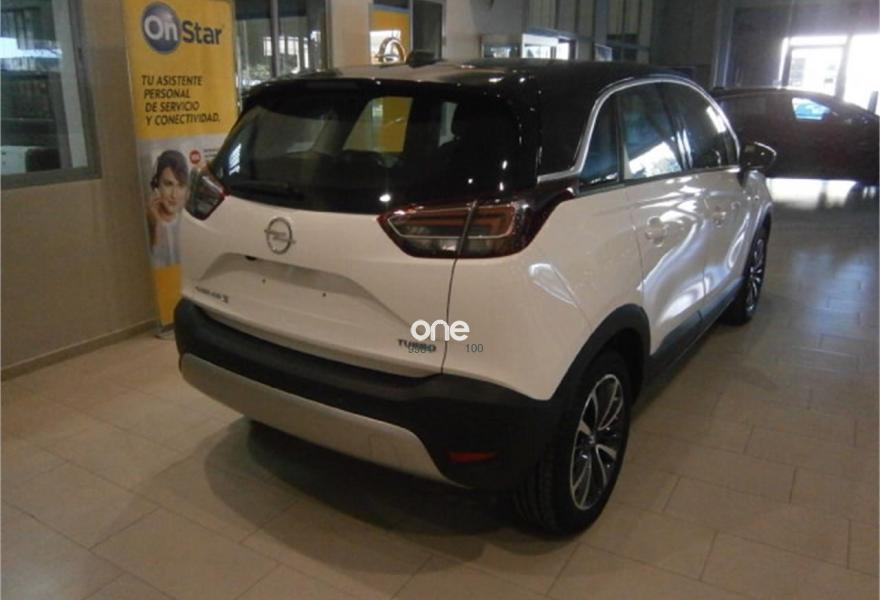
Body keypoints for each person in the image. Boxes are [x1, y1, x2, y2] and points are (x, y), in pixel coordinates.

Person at [146, 150, 189, 268]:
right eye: (168, 184)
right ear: (156, 185)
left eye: (180, 185)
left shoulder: (189, 225)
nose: (174, 195)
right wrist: (157, 226)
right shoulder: (146, 225)